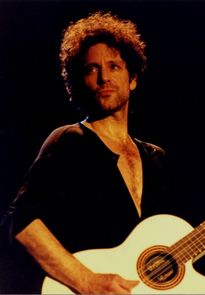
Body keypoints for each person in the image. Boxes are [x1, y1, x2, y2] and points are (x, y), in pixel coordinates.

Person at [2, 11, 169, 294]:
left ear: (133, 79)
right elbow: (19, 221)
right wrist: (87, 281)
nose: (103, 76)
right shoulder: (69, 141)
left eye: (114, 66)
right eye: (91, 69)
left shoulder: (154, 157)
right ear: (80, 82)